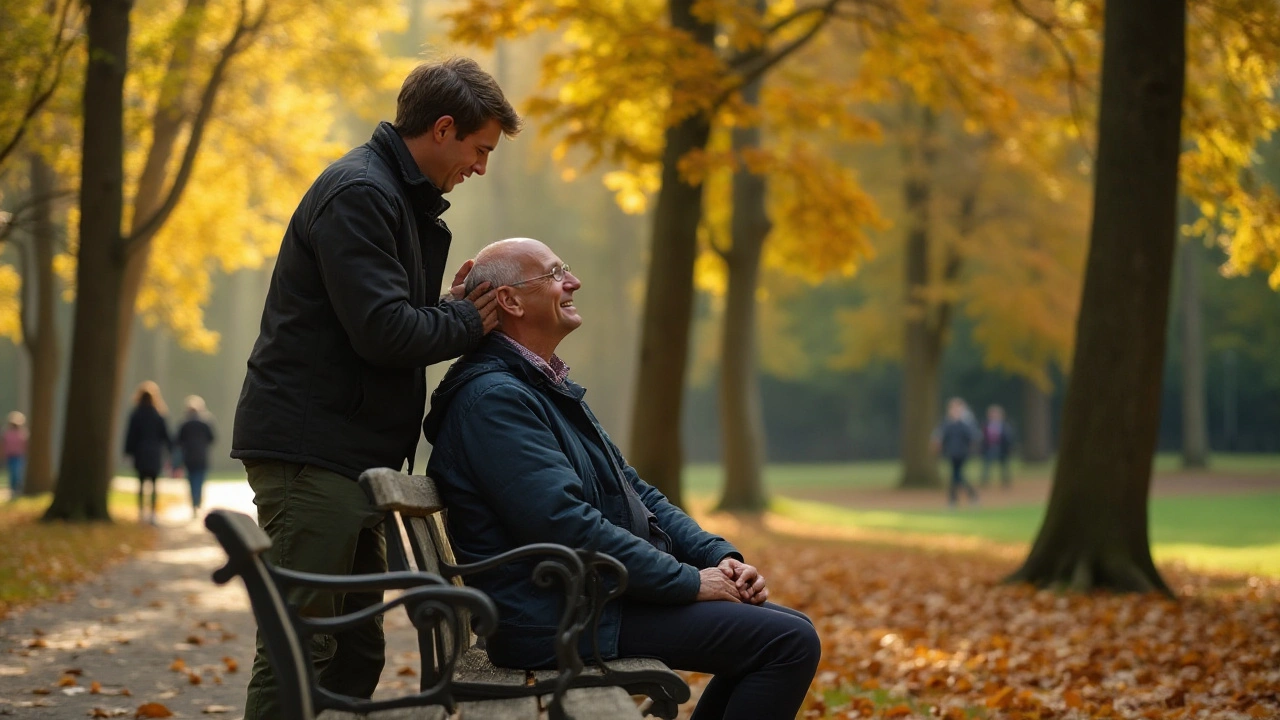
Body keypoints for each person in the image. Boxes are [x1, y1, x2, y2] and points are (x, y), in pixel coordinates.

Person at [230, 57, 520, 720]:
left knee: (355, 653)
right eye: (480, 150)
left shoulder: (392, 197)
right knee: (300, 650)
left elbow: (387, 317)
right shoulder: (361, 192)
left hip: (350, 454)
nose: (480, 167)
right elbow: (385, 332)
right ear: (443, 129)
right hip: (313, 454)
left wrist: (449, 306)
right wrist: (468, 318)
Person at [423, 238, 822, 720]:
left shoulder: (539, 386)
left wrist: (720, 557)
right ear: (510, 301)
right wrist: (690, 581)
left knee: (786, 630)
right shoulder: (495, 400)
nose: (573, 282)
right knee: (787, 642)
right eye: (553, 274)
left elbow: (636, 490)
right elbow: (565, 524)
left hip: (586, 601)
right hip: (556, 618)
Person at [123, 381, 172, 524]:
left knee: (141, 483)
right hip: (155, 454)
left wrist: (128, 452)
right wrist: (170, 451)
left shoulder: (136, 414)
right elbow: (166, 436)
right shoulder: (159, 414)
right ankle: (152, 513)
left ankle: (140, 512)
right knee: (154, 484)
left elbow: (130, 435)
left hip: (140, 453)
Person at [932, 397, 979, 508]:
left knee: (956, 475)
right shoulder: (947, 424)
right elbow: (939, 437)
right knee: (956, 475)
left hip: (962, 453)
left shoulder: (966, 424)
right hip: (951, 453)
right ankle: (962, 498)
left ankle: (955, 499)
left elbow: (972, 437)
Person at [175, 395, 216, 518]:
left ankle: (194, 502)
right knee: (199, 480)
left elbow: (178, 440)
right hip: (201, 456)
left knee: (191, 481)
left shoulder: (184, 424)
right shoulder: (205, 423)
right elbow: (212, 438)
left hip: (189, 457)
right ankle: (198, 501)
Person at [980, 404, 1015, 488]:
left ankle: (1005, 482)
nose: (994, 415)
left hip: (1001, 448)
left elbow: (1009, 438)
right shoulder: (985, 425)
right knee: (987, 465)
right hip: (989, 448)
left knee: (1004, 466)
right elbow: (982, 437)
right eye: (992, 414)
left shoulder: (1005, 425)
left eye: (996, 414)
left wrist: (1009, 448)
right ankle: (985, 482)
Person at [3, 411, 28, 500]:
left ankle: (17, 489)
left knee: (17, 473)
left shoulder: (23, 434)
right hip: (10, 456)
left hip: (19, 456)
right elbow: (4, 445)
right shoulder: (7, 434)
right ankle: (13, 490)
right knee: (12, 473)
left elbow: (26, 445)